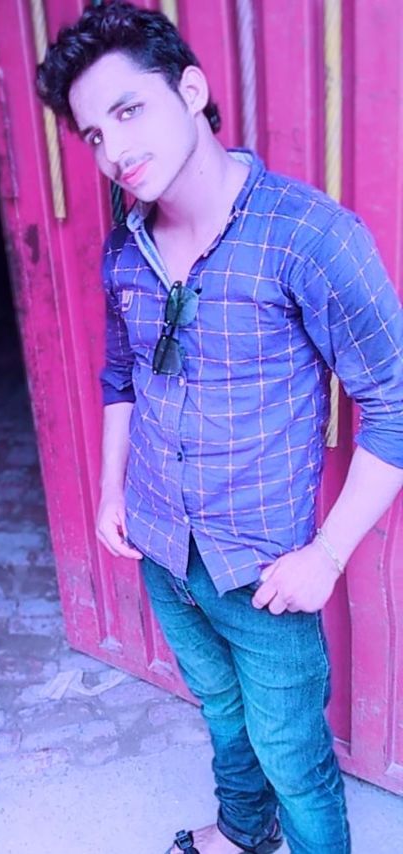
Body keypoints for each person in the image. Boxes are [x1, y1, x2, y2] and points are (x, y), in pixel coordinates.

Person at [36, 3, 403, 852]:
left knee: (293, 757)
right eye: (95, 135)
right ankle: (243, 832)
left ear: (192, 91)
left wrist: (327, 556)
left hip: (262, 573)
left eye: (129, 110)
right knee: (223, 713)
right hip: (163, 548)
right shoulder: (126, 248)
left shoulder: (309, 237)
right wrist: (111, 491)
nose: (115, 150)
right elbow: (121, 376)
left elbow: (394, 406)